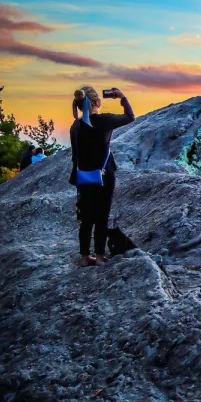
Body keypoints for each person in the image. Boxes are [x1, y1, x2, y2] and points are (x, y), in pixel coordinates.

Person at [69, 86, 135, 267]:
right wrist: (122, 97)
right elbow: (130, 116)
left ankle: (84, 257)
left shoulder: (75, 126)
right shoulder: (105, 120)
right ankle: (98, 256)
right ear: (97, 102)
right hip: (104, 175)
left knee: (86, 217)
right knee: (102, 216)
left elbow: (76, 156)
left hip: (83, 177)